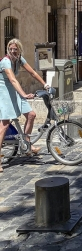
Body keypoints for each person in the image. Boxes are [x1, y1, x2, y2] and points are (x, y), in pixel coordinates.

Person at [0, 39, 50, 172]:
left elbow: (32, 72)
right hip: (4, 93)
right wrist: (24, 94)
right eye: (10, 49)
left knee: (31, 115)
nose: (12, 51)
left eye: (15, 49)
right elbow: (12, 80)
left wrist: (45, 84)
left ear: (19, 50)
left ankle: (26, 144)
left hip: (15, 92)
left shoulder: (19, 59)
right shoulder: (6, 61)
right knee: (4, 125)